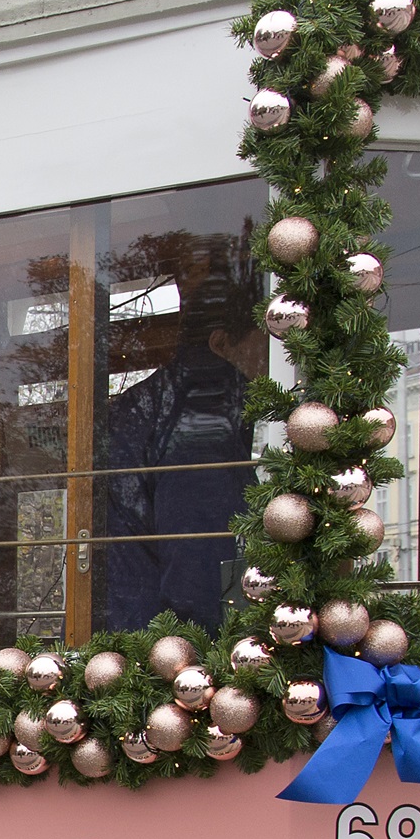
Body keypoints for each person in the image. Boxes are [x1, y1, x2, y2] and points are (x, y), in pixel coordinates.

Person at [91, 250, 261, 631]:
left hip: (127, 632)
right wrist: (228, 642)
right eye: (260, 343)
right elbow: (199, 566)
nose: (266, 360)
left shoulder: (158, 404)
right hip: (167, 646)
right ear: (222, 343)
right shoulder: (202, 412)